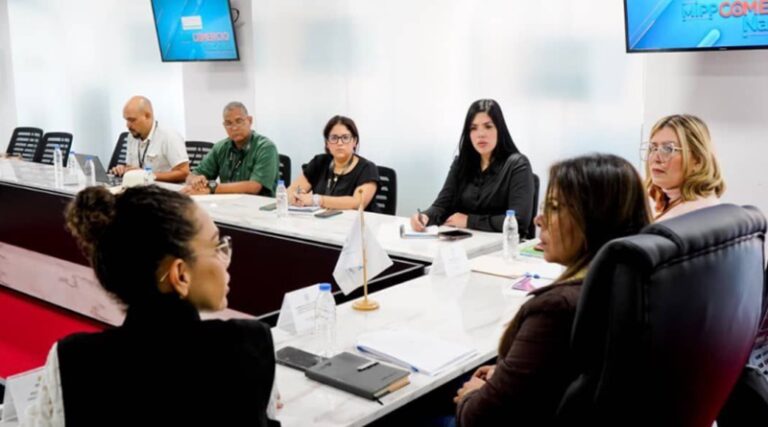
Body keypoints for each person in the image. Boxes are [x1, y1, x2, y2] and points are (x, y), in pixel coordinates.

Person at [25, 185, 280, 426]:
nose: (225, 258)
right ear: (180, 275)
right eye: (216, 247)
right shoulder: (250, 345)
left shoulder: (71, 360)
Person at [453, 154, 651, 427]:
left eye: (555, 208)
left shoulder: (556, 309)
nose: (539, 219)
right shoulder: (631, 283)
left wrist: (472, 395)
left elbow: (479, 419)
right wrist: (508, 374)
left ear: (593, 220)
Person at [410, 99, 535, 235]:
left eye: (488, 126)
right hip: (466, 242)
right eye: (473, 128)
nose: (480, 134)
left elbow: (519, 221)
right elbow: (441, 206)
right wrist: (425, 216)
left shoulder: (518, 164)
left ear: (500, 129)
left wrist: (469, 221)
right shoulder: (461, 163)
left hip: (504, 244)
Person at [182, 102, 279, 196]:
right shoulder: (220, 147)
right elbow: (192, 176)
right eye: (228, 123)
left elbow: (254, 186)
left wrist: (211, 188)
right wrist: (195, 180)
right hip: (228, 202)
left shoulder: (266, 147)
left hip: (259, 204)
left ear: (249, 120)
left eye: (239, 121)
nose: (234, 128)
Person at [642, 114, 725, 221]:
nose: (655, 158)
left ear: (698, 160)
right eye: (653, 148)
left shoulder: (684, 217)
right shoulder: (704, 205)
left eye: (668, 149)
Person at [287, 115, 380, 211]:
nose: (339, 143)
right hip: (322, 219)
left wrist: (317, 200)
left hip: (358, 220)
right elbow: (292, 190)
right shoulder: (319, 162)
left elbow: (357, 203)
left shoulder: (367, 168)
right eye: (334, 138)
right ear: (327, 143)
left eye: (345, 137)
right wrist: (296, 196)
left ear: (355, 141)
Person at [111, 96, 190, 183]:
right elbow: (132, 167)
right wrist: (124, 169)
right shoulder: (132, 136)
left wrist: (146, 175)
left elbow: (183, 173)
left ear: (148, 116)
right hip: (138, 187)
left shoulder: (169, 136)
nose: (128, 125)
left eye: (132, 120)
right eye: (126, 120)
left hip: (163, 188)